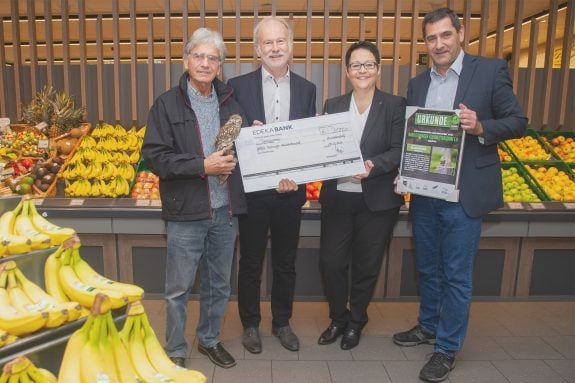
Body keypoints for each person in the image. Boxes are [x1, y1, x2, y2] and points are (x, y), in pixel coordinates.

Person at [392, 8, 527, 383]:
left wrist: (481, 125)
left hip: (464, 195)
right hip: (424, 193)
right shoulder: (418, 84)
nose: (439, 44)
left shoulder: (489, 71)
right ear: (425, 42)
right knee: (427, 267)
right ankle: (429, 325)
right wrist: (404, 171)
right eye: (431, 38)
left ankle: (447, 348)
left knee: (455, 273)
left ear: (461, 34)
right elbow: (413, 137)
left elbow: (518, 121)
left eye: (445, 36)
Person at [142, 27, 247, 369]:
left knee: (219, 284)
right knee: (178, 289)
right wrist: (203, 165)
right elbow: (156, 157)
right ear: (186, 60)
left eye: (212, 58)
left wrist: (240, 157)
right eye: (198, 56)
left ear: (220, 65)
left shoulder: (231, 102)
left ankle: (209, 339)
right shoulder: (166, 104)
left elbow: (243, 149)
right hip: (186, 212)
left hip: (225, 211)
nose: (204, 63)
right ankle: (174, 347)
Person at [227, 16, 316, 354]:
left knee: (285, 261)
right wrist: (248, 131)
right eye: (268, 42)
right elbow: (228, 134)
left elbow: (306, 141)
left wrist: (302, 173)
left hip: (290, 192)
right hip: (253, 191)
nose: (275, 48)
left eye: (281, 41)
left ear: (291, 45)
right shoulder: (237, 85)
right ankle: (250, 324)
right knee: (250, 261)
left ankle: (282, 322)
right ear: (257, 49)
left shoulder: (308, 89)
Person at [317, 41, 406, 350]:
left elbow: (398, 149)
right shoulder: (333, 104)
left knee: (367, 265)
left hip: (377, 200)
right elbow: (325, 149)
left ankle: (356, 321)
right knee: (331, 262)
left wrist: (374, 166)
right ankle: (337, 317)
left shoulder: (395, 105)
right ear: (347, 71)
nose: (362, 70)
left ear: (378, 69)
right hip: (339, 197)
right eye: (356, 65)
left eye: (369, 64)